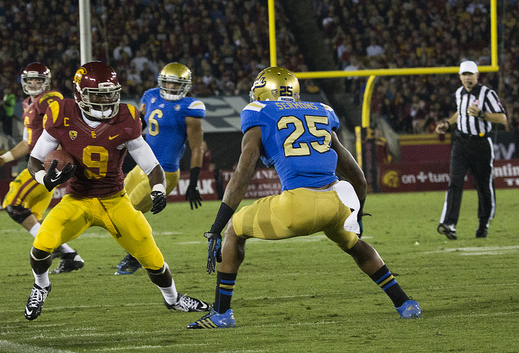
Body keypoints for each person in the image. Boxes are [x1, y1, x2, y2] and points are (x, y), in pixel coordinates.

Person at [187, 67, 421, 329]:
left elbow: (243, 174)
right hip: (337, 201)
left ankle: (221, 314)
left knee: (234, 231)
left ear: (265, 90)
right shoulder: (320, 111)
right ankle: (405, 303)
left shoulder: (258, 113)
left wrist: (217, 226)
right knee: (354, 244)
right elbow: (358, 177)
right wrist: (357, 214)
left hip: (298, 206)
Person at [23, 61, 209, 320]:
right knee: (41, 245)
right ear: (80, 95)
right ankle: (41, 285)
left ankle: (174, 299)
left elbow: (151, 164)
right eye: (98, 95)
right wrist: (46, 180)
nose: (106, 100)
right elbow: (34, 159)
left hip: (115, 201)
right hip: (77, 199)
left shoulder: (126, 118)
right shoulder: (62, 114)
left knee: (152, 258)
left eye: (111, 94)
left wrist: (158, 189)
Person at [0, 62, 85, 274]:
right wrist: (4, 158)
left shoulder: (50, 100)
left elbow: (64, 126)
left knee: (14, 205)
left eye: (38, 80)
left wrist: (60, 159)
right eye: (30, 80)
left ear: (46, 82)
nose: (34, 84)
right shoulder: (27, 104)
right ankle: (70, 256)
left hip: (45, 164)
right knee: (33, 216)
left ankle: (67, 254)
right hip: (38, 160)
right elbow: (26, 142)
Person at [115, 62, 206, 275]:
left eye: (175, 85)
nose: (171, 88)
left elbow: (197, 149)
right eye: (167, 83)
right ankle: (137, 255)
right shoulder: (150, 96)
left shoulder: (190, 108)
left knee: (128, 214)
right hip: (141, 167)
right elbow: (140, 125)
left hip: (164, 172)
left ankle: (139, 257)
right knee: (115, 207)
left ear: (185, 86)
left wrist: (193, 183)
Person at [435, 60, 507, 239]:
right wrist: (446, 124)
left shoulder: (487, 93)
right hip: (461, 142)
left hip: (481, 144)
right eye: (464, 74)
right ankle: (449, 224)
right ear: (460, 76)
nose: (467, 78)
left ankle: (484, 223)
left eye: (470, 74)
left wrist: (482, 114)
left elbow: (503, 118)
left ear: (477, 75)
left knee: (483, 185)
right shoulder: (459, 93)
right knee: (455, 182)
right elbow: (460, 112)